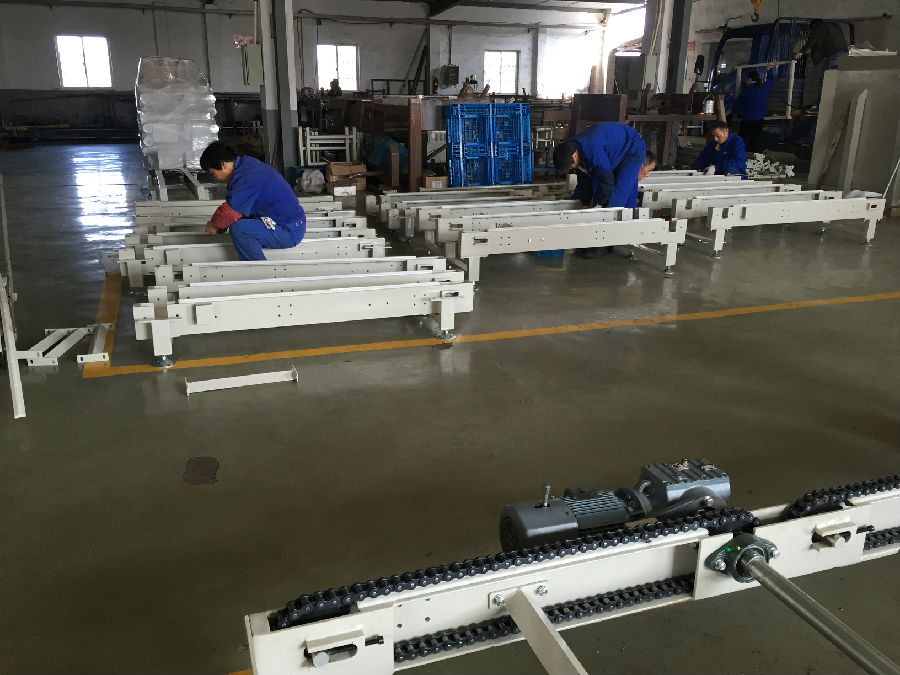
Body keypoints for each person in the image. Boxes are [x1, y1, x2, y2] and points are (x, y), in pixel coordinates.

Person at [553, 122, 656, 257]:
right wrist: (584, 203)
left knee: (619, 192)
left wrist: (599, 206)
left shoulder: (592, 151)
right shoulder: (573, 148)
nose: (571, 168)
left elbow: (607, 181)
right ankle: (597, 233)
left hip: (633, 148)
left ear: (574, 155)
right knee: (597, 184)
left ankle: (604, 242)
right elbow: (584, 179)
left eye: (570, 166)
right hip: (616, 151)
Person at [199, 142, 306, 261]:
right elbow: (237, 208)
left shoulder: (247, 176)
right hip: (286, 222)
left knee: (240, 230)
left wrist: (214, 224)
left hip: (288, 230)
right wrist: (221, 225)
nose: (216, 178)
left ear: (223, 165)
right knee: (239, 221)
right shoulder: (246, 167)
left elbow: (230, 212)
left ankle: (258, 270)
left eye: (213, 173)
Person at [794, 19, 849, 108]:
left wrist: (801, 52)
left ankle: (821, 105)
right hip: (844, 54)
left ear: (814, 26)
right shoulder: (834, 25)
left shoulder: (820, 27)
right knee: (834, 79)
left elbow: (812, 39)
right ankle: (831, 104)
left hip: (835, 55)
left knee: (825, 79)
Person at [733, 64, 774, 154]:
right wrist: (769, 70)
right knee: (755, 142)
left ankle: (740, 157)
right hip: (759, 120)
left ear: (750, 79)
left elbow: (736, 106)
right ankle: (754, 158)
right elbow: (771, 81)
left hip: (746, 121)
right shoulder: (763, 88)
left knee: (742, 142)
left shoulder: (745, 92)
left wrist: (733, 112)